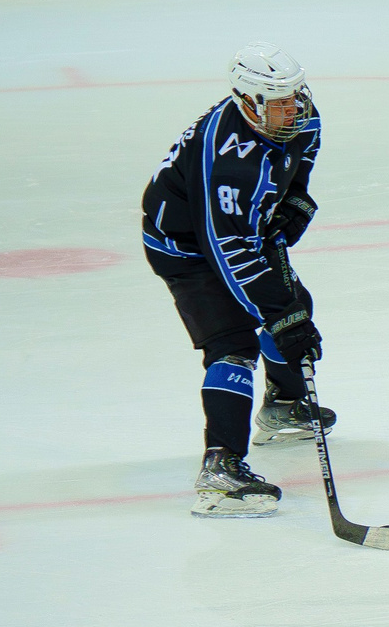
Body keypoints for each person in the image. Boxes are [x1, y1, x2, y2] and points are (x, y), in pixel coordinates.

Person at [141, 43, 331, 516]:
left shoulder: (298, 117)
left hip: (240, 229)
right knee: (234, 342)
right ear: (249, 102)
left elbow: (301, 158)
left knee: (294, 308)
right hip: (187, 248)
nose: (294, 109)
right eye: (280, 102)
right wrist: (279, 314)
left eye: (296, 96)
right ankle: (221, 470)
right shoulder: (227, 164)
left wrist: (295, 201)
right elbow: (227, 250)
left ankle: (283, 406)